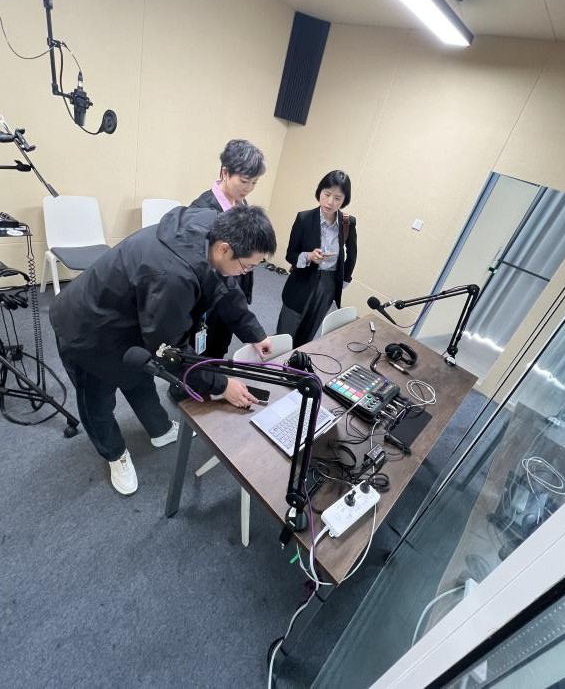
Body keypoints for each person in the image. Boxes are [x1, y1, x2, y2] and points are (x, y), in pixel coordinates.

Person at [50, 204, 276, 496]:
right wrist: (221, 385)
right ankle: (114, 453)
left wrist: (254, 333)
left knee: (139, 376)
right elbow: (171, 353)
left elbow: (226, 285)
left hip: (131, 317)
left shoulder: (214, 228)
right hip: (87, 330)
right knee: (97, 401)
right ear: (224, 249)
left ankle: (159, 429)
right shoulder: (173, 277)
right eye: (248, 266)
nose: (246, 272)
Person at [190, 138, 266, 358]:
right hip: (212, 293)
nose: (248, 188)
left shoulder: (241, 205)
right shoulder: (201, 211)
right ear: (225, 172)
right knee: (201, 349)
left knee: (221, 344)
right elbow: (201, 270)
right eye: (244, 181)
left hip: (233, 288)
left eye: (254, 183)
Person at [277, 170, 357, 348]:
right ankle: (276, 360)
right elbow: (291, 254)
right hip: (302, 279)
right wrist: (309, 256)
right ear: (319, 192)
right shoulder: (304, 218)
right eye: (327, 194)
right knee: (287, 328)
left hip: (329, 284)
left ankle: (296, 361)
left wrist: (343, 280)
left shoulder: (347, 222)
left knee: (310, 329)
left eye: (337, 198)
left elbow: (352, 254)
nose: (330, 202)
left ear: (344, 200)